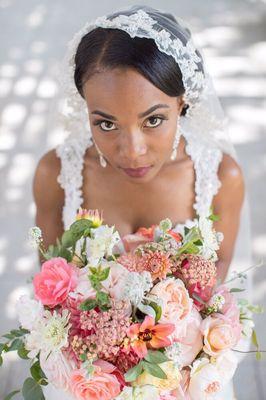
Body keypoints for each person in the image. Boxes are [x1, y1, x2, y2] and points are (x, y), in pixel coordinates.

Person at [33, 5, 252, 399]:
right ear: (83, 108)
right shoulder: (56, 175)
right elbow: (51, 297)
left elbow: (211, 295)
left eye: (153, 120)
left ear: (182, 102)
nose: (132, 151)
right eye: (106, 123)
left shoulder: (221, 178)